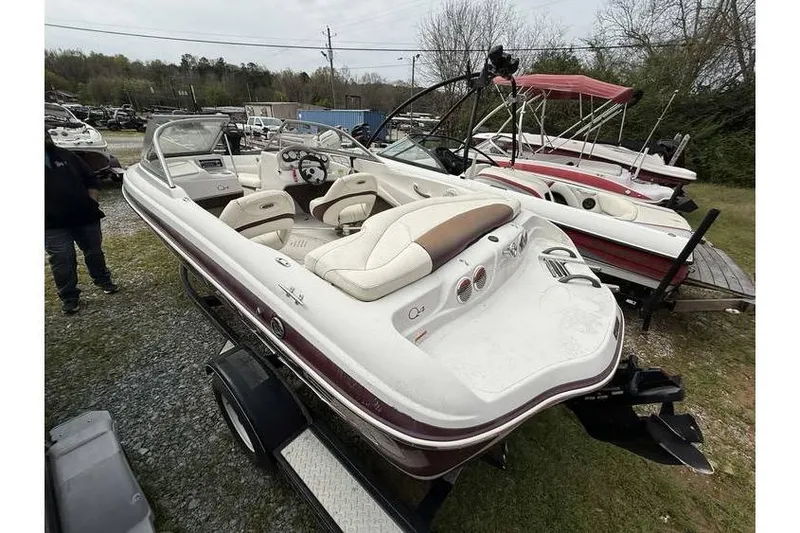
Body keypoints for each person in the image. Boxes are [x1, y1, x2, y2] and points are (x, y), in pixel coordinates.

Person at [45, 126, 118, 314]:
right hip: (51, 224)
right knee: (62, 259)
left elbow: (91, 179)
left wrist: (92, 202)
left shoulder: (67, 156)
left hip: (85, 216)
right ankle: (69, 296)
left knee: (94, 251)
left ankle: (103, 280)